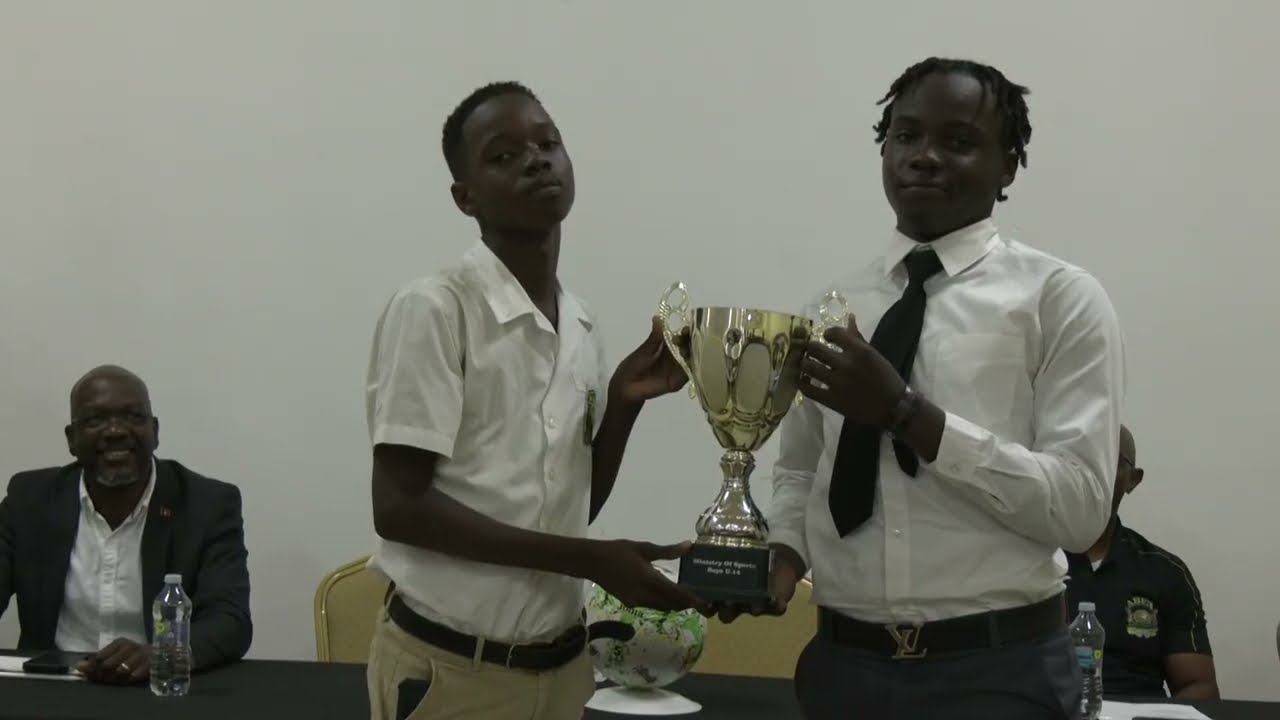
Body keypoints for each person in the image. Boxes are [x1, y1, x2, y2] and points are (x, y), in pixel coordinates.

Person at [722, 58, 1127, 718]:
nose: (925, 156)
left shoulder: (1060, 299)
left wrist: (906, 413)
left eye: (959, 141)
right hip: (843, 667)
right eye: (905, 135)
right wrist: (784, 557)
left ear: (1008, 167)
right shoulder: (834, 307)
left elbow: (1081, 510)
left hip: (1000, 672)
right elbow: (800, 469)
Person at [364, 81, 707, 720]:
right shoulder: (435, 309)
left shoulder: (580, 323)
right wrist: (592, 560)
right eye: (504, 155)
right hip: (452, 671)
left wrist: (623, 403)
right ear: (465, 197)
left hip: (564, 672)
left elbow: (568, 508)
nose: (536, 160)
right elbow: (399, 508)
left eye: (548, 144)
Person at [0, 365, 253, 684]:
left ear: (155, 431)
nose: (116, 431)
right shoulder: (30, 500)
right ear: (71, 439)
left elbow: (230, 621)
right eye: (95, 420)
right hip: (53, 686)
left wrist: (165, 654)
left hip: (158, 686)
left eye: (133, 416)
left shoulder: (206, 504)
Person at [1064, 425, 1218, 700]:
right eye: (1080, 459)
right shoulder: (1029, 563)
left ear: (1132, 479)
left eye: (1107, 458)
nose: (1091, 471)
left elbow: (1198, 686)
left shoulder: (1166, 573)